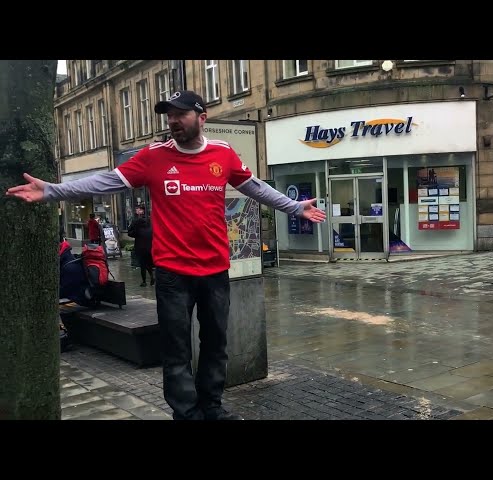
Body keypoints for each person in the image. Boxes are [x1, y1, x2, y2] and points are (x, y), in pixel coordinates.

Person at [6, 89, 326, 421]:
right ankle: (187, 414)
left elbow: (254, 187)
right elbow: (105, 182)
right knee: (176, 350)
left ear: (201, 118)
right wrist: (53, 191)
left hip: (215, 271)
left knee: (215, 344)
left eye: (181, 114)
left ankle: (212, 408)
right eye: (169, 115)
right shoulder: (153, 157)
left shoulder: (223, 153)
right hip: (173, 274)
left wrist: (293, 207)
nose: (173, 121)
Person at [127, 205, 154, 287]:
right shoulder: (150, 220)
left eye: (138, 209)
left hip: (140, 245)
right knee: (148, 263)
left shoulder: (136, 222)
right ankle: (152, 277)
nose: (136, 211)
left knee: (143, 264)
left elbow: (130, 232)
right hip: (150, 245)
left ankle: (144, 281)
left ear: (142, 210)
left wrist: (136, 234)